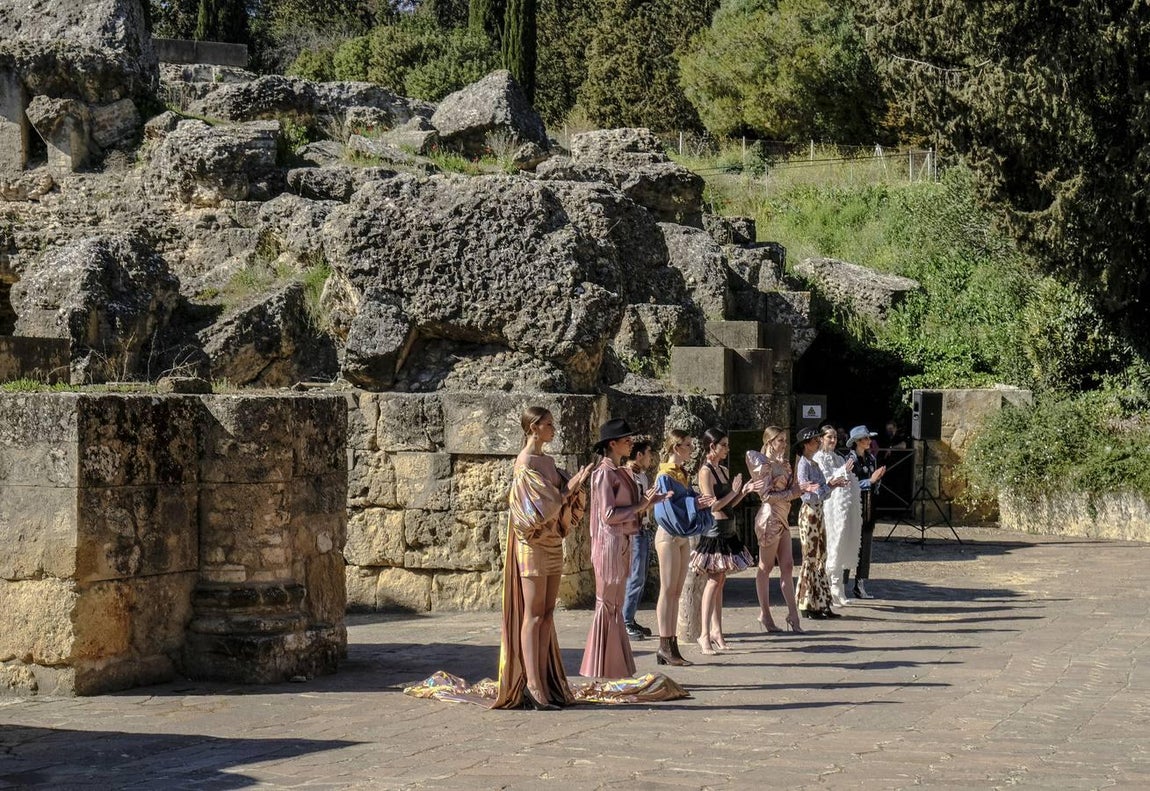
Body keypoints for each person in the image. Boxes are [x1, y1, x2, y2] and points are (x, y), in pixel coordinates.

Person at [493, 407, 593, 711]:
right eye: (549, 425)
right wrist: (570, 487)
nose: (554, 429)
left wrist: (574, 486)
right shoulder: (524, 464)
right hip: (532, 544)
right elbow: (538, 508)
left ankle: (546, 681)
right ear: (534, 427)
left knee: (548, 613)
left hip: (552, 541)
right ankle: (532, 685)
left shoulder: (548, 461)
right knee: (533, 614)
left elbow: (559, 497)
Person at [580, 419, 669, 679]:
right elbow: (608, 514)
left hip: (621, 541)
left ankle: (614, 664)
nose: (631, 443)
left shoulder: (617, 471)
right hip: (609, 543)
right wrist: (642, 505)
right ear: (612, 444)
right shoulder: (604, 473)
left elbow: (629, 507)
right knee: (608, 603)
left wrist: (649, 502)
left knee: (615, 604)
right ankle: (601, 666)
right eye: (626, 440)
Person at [745, 426, 820, 633]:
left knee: (787, 565)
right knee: (765, 567)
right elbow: (767, 496)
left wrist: (800, 489)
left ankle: (792, 614)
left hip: (783, 517)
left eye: (785, 440)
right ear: (769, 442)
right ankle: (765, 614)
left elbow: (793, 490)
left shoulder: (784, 463)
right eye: (779, 441)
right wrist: (795, 491)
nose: (784, 444)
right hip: (769, 517)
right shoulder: (763, 464)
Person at [651, 429, 715, 666]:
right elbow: (666, 509)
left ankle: (671, 644)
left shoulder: (681, 474)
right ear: (676, 448)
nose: (691, 449)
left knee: (676, 591)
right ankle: (664, 644)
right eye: (687, 445)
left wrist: (696, 503)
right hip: (668, 533)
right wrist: (693, 502)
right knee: (667, 590)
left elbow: (683, 502)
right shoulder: (664, 475)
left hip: (680, 535)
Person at [691, 427, 755, 654]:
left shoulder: (723, 470)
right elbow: (712, 505)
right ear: (712, 447)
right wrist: (733, 492)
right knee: (713, 580)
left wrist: (743, 492)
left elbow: (729, 503)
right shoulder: (705, 471)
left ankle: (717, 631)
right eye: (724, 445)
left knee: (720, 581)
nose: (727, 449)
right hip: (714, 530)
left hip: (729, 527)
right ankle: (704, 634)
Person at [794, 426, 849, 619]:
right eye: (815, 440)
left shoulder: (813, 464)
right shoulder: (803, 464)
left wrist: (832, 485)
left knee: (820, 556)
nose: (818, 442)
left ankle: (821, 602)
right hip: (809, 512)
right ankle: (806, 602)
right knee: (810, 558)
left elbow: (822, 491)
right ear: (806, 444)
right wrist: (825, 487)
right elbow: (805, 491)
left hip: (818, 512)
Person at [813, 425, 862, 608]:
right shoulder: (818, 458)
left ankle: (839, 586)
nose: (833, 441)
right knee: (832, 543)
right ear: (821, 439)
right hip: (828, 507)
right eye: (829, 437)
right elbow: (826, 480)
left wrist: (845, 473)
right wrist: (842, 472)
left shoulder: (837, 457)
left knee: (842, 542)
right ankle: (830, 588)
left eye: (834, 437)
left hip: (841, 507)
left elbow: (846, 479)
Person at [846, 425, 887, 600]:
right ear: (856, 442)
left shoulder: (871, 459)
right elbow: (849, 483)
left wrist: (876, 481)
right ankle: (841, 584)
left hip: (869, 504)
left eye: (869, 438)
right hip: (854, 505)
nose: (869, 442)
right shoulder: (850, 460)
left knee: (866, 543)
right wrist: (869, 481)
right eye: (865, 439)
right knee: (850, 544)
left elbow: (874, 483)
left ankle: (860, 583)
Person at [623, 437, 656, 640]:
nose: (650, 458)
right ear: (639, 455)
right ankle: (625, 621)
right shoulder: (626, 477)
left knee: (640, 577)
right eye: (649, 453)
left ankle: (630, 617)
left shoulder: (642, 477)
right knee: (634, 576)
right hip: (632, 531)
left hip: (643, 529)